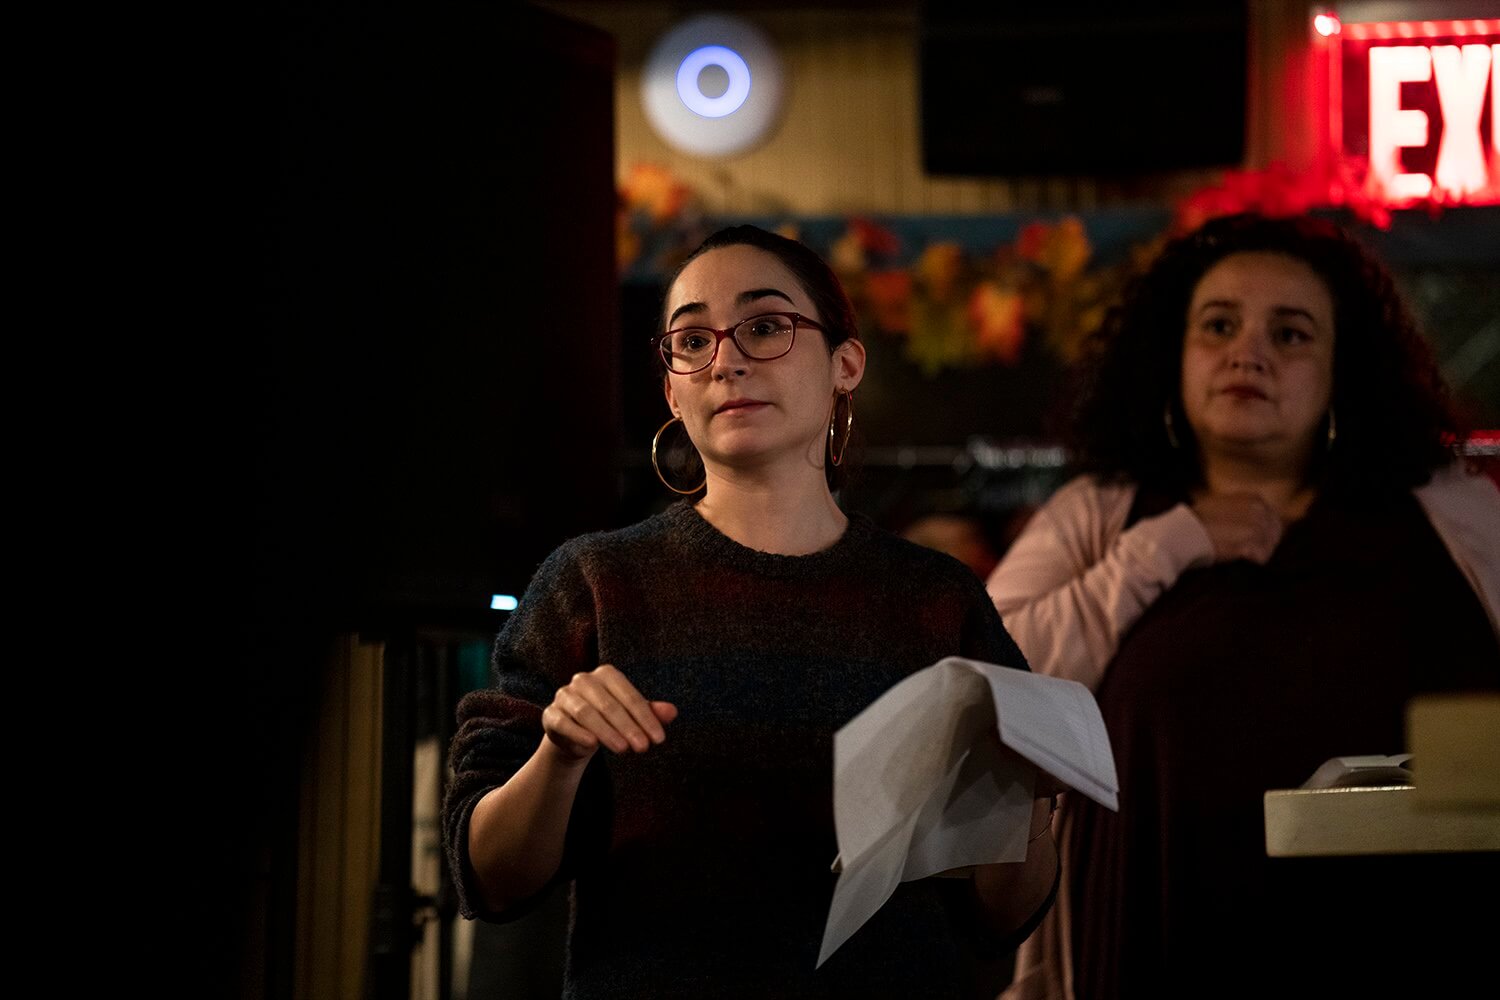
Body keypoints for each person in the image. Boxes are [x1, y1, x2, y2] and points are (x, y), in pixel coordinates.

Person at [444, 225, 1059, 999]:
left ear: (846, 364)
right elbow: (488, 877)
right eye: (692, 339)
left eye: (765, 327)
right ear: (672, 389)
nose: (726, 359)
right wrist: (559, 756)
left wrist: (1027, 796)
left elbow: (1001, 917)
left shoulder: (937, 598)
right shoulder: (594, 581)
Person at [985, 213, 1500, 998]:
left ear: (1341, 373)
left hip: (1416, 932)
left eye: (1290, 334)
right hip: (1158, 937)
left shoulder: (1450, 515)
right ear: (1174, 357)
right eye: (1218, 325)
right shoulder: (1104, 516)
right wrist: (1166, 546)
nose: (1247, 351)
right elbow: (990, 687)